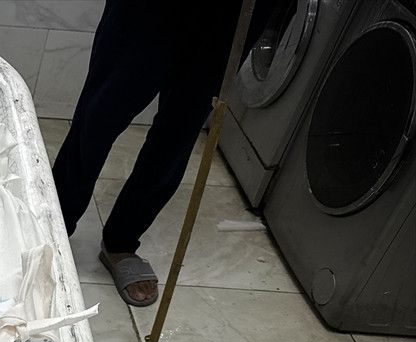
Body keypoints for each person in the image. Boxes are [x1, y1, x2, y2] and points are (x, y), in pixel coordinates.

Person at [52, 0, 271, 306]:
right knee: (102, 109)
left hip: (237, 11)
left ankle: (122, 240)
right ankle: (53, 221)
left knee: (182, 127)